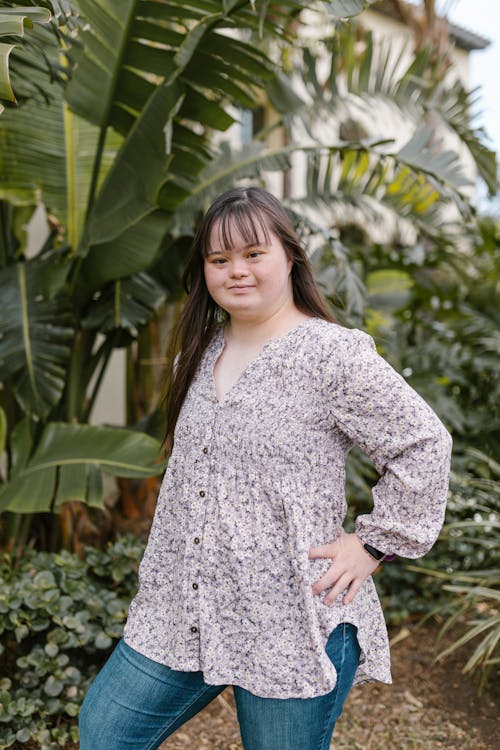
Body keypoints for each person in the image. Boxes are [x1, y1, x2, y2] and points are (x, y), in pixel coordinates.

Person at [79, 186, 452, 750]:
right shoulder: (197, 353)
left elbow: (423, 443)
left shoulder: (333, 355)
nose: (237, 271)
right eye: (219, 259)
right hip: (184, 607)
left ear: (289, 257)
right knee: (106, 732)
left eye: (254, 254)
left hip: (292, 618)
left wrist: (374, 544)